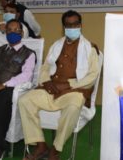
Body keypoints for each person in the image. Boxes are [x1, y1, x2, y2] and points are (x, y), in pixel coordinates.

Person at [18, 11, 100, 160]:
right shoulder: (56, 45)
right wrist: (46, 81)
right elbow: (45, 67)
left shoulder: (89, 48)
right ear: (63, 27)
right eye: (68, 25)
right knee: (25, 100)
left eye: (75, 24)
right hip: (52, 88)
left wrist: (69, 84)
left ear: (80, 25)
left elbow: (92, 76)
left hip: (75, 90)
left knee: (73, 107)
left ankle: (55, 150)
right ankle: (40, 145)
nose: (72, 28)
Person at [0, 20, 36, 160]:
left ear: (21, 33)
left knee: (2, 103)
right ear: (6, 32)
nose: (12, 33)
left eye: (16, 30)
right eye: (9, 30)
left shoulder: (29, 54)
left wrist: (3, 85)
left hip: (8, 89)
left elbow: (26, 76)